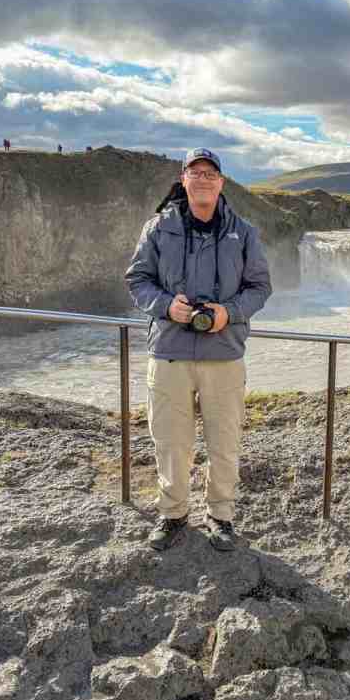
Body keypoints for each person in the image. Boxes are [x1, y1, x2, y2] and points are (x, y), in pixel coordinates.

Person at [125, 148, 272, 552]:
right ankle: (172, 515)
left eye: (211, 173)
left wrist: (230, 312)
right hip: (170, 350)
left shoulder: (244, 231)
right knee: (171, 441)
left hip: (223, 352)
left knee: (225, 441)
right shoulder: (157, 228)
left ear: (221, 182)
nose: (204, 178)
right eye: (196, 171)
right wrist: (166, 305)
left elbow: (260, 288)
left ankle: (220, 517)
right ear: (183, 179)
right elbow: (137, 279)